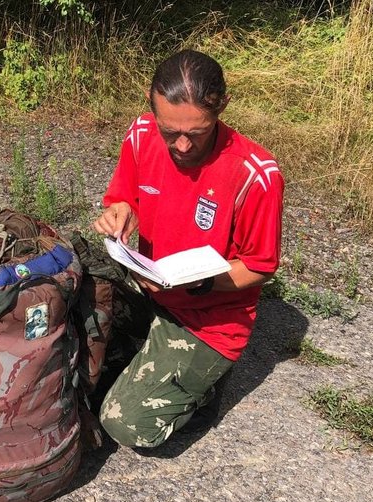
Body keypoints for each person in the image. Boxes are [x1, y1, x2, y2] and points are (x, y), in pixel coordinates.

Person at [92, 49, 284, 448]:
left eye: (195, 134)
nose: (180, 145)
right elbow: (123, 196)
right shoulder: (142, 134)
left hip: (209, 321)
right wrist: (120, 214)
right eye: (169, 131)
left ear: (222, 108)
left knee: (124, 425)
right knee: (71, 359)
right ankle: (153, 347)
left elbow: (260, 266)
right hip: (150, 288)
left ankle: (205, 389)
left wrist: (198, 286)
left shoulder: (255, 174)